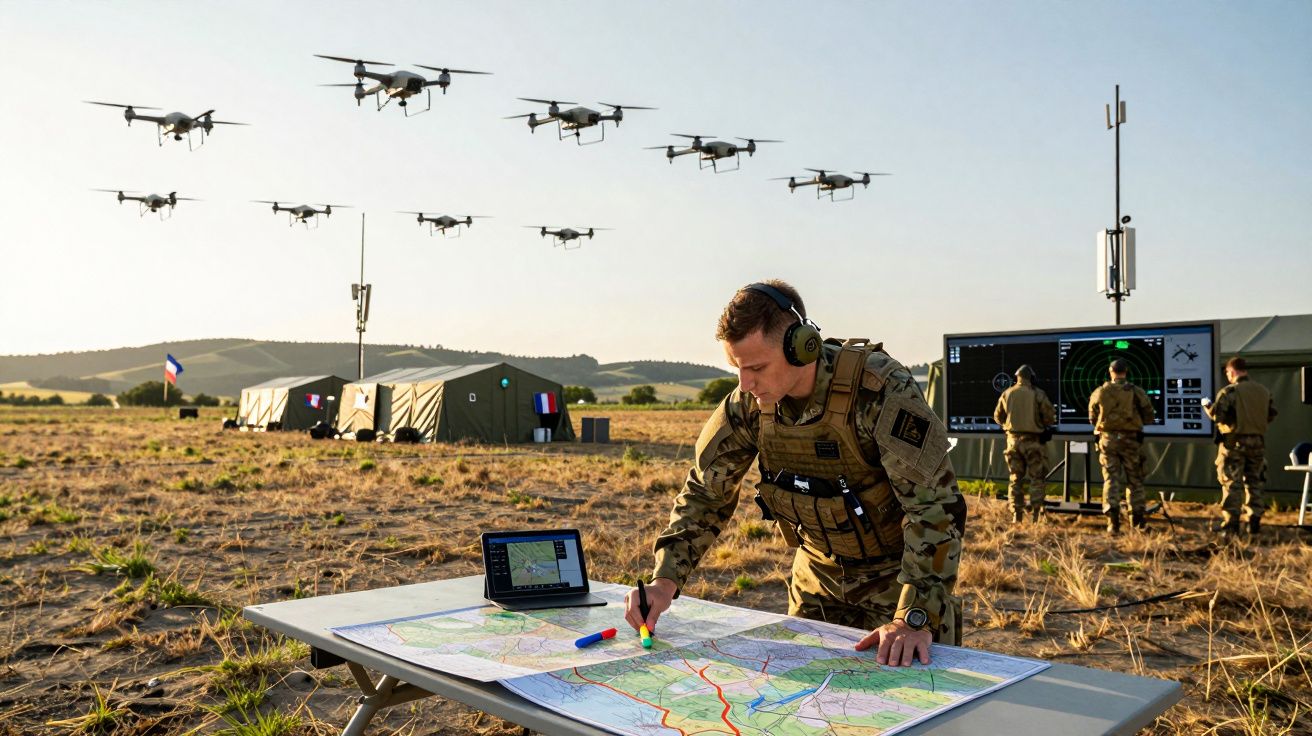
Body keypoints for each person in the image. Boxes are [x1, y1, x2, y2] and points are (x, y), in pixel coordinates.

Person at [624, 280, 967, 667]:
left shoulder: (878, 391)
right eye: (736, 368)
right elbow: (706, 494)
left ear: (803, 346)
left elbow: (935, 509)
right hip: (815, 583)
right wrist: (663, 582)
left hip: (900, 585)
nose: (745, 383)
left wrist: (914, 617)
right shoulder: (748, 405)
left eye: (756, 367)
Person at [1203, 356, 1277, 536]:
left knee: (1231, 483)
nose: (1228, 376)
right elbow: (1271, 414)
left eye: (1228, 372)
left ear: (1233, 371)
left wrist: (1207, 406)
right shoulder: (1263, 391)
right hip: (1257, 443)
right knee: (1255, 482)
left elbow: (1217, 416)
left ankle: (1231, 524)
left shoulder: (1230, 392)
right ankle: (1254, 523)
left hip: (1234, 443)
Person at [1087, 358, 1156, 534]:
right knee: (1135, 480)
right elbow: (1149, 414)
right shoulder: (1136, 392)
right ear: (1126, 371)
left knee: (1111, 479)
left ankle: (1113, 523)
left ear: (1111, 372)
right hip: (1131, 440)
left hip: (1108, 440)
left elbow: (1092, 417)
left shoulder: (1100, 392)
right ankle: (1138, 522)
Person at [993, 365, 1056, 523]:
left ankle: (1017, 515)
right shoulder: (1038, 394)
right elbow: (1049, 417)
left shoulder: (1007, 394)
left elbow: (998, 416)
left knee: (1015, 478)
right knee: (1037, 478)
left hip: (1013, 442)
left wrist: (1008, 426)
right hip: (1033, 442)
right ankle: (1035, 515)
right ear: (1031, 378)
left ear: (1017, 378)